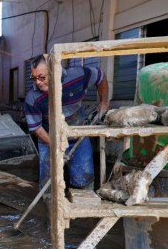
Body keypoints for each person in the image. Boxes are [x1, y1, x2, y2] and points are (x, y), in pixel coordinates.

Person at [24, 54, 109, 190]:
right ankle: (49, 203)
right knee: (49, 180)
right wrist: (56, 146)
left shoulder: (78, 76)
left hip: (78, 134)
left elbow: (100, 76)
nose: (37, 82)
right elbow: (37, 128)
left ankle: (82, 205)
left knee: (83, 178)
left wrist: (104, 102)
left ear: (54, 71)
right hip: (49, 137)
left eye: (42, 77)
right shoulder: (32, 98)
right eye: (34, 78)